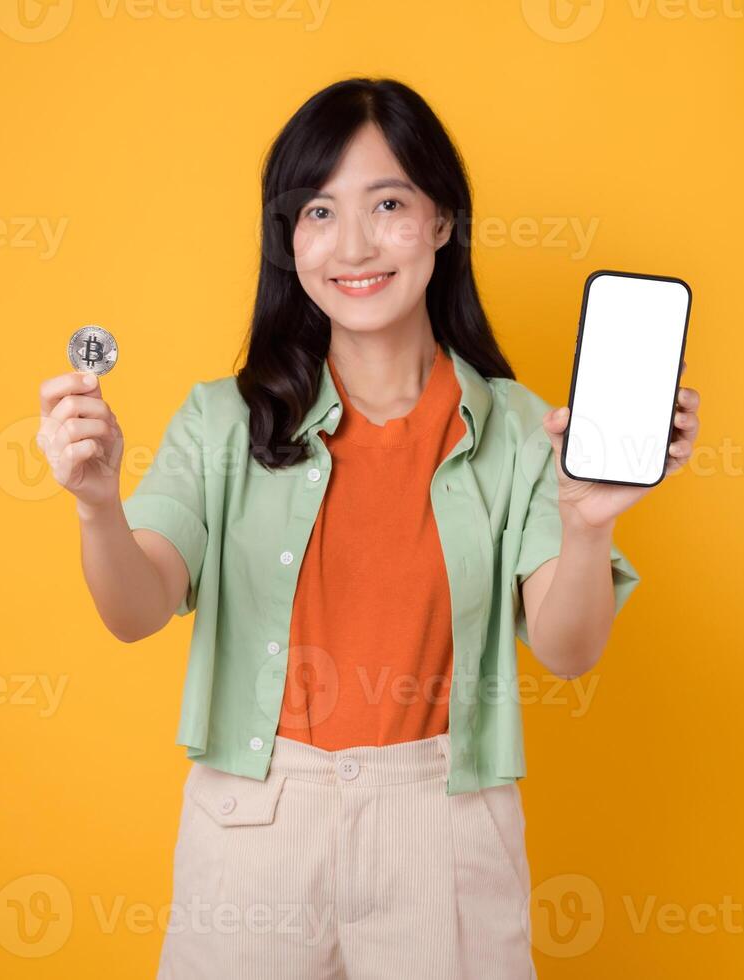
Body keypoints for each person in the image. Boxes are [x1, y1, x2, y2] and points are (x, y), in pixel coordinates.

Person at [36, 76, 700, 980]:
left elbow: (571, 649)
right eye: (317, 210)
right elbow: (136, 608)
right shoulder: (221, 420)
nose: (351, 244)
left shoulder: (515, 428)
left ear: (442, 221)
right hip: (255, 830)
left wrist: (586, 526)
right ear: (289, 239)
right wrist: (96, 503)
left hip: (445, 828)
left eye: (388, 203)